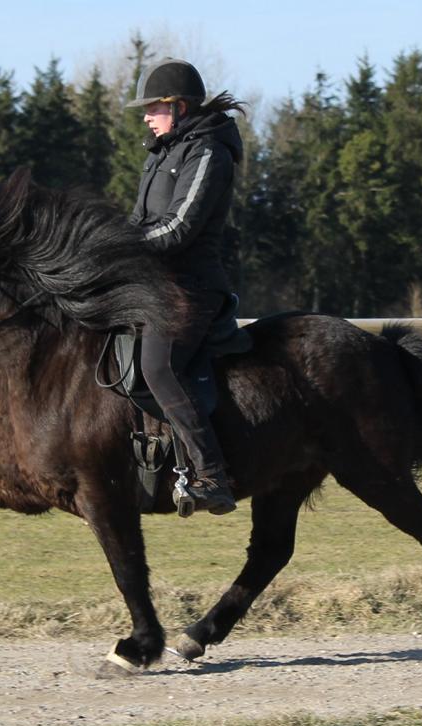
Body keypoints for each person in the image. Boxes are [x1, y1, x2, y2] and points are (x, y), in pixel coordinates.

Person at [125, 58, 245, 515]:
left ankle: (211, 473)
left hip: (191, 286)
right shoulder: (160, 155)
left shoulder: (209, 152)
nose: (146, 116)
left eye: (152, 108)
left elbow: (179, 228)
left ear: (177, 107)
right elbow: (139, 221)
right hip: (155, 283)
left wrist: (122, 249)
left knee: (159, 368)